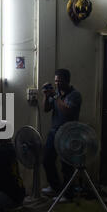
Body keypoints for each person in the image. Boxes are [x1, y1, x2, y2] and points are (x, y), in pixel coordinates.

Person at [41, 68, 82, 202]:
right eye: (55, 81)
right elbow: (46, 109)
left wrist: (56, 96)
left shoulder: (75, 95)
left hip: (68, 133)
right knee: (47, 159)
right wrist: (46, 96)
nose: (57, 84)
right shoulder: (56, 94)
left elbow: (67, 112)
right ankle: (56, 188)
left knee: (66, 166)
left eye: (59, 81)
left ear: (67, 80)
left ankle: (68, 195)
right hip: (54, 132)